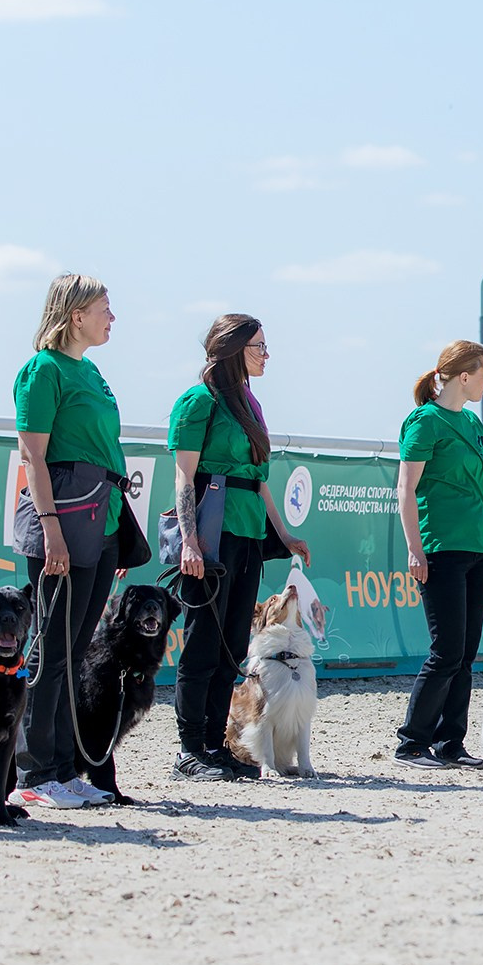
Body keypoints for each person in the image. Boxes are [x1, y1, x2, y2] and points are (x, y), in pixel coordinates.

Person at [168, 314, 311, 781]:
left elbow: (259, 481)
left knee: (232, 645)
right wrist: (190, 541)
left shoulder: (251, 403)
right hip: (213, 537)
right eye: (259, 346)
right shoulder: (198, 401)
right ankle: (190, 750)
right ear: (233, 350)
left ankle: (216, 745)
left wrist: (283, 534)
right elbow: (184, 477)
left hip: (249, 535)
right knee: (202, 643)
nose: (267, 354)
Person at [8, 275, 128, 811]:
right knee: (51, 651)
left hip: (102, 521)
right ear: (76, 314)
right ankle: (34, 771)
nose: (112, 317)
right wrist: (51, 526)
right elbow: (33, 455)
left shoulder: (92, 372)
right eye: (105, 308)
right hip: (64, 521)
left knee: (76, 652)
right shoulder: (43, 370)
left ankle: (62, 768)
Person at [393, 342, 483, 770]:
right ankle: (411, 743)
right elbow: (406, 489)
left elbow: (480, 490)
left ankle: (450, 742)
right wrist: (414, 549)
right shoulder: (424, 421)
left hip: (478, 548)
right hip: (440, 548)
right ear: (463, 376)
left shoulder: (473, 423)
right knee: (446, 651)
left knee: (466, 655)